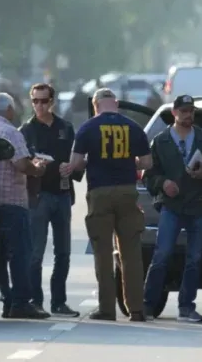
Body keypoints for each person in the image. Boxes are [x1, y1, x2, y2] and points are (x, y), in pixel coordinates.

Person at [60, 88, 152, 322]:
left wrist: (93, 160)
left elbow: (76, 164)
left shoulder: (88, 128)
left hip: (99, 192)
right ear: (117, 104)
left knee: (102, 252)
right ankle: (137, 309)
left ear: (95, 105)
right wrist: (130, 162)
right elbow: (147, 162)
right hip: (127, 192)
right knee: (131, 253)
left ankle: (107, 309)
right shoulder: (133, 127)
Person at [142, 94, 202, 323]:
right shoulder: (161, 140)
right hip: (172, 206)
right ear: (174, 113)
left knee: (194, 258)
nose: (188, 115)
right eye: (184, 111)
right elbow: (149, 174)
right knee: (162, 254)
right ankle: (147, 305)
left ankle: (186, 307)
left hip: (198, 206)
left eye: (191, 111)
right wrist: (163, 184)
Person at [0, 92, 49, 319]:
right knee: (20, 254)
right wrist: (39, 167)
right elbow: (22, 165)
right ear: (8, 110)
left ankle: (7, 299)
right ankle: (21, 302)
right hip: (13, 202)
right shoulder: (11, 133)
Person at [19, 83, 83, 318]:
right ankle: (35, 300)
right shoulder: (26, 130)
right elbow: (19, 163)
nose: (39, 106)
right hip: (38, 196)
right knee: (35, 252)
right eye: (35, 101)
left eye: (44, 101)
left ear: (52, 102)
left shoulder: (65, 128)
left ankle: (59, 301)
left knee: (63, 252)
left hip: (62, 194)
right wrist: (34, 166)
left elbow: (78, 160)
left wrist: (72, 167)